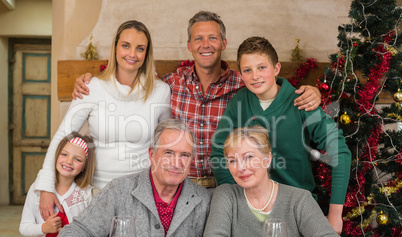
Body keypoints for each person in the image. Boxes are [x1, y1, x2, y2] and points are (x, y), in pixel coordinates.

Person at [72, 11, 322, 188]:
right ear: (189, 45)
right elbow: (132, 82)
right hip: (181, 185)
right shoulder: (170, 83)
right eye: (198, 39)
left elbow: (273, 87)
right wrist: (91, 82)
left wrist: (311, 91)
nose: (206, 44)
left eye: (213, 38)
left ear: (223, 43)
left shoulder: (243, 84)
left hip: (229, 184)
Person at [210, 36, 351, 234]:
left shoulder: (301, 102)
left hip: (297, 209)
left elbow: (340, 152)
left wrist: (335, 214)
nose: (255, 76)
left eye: (261, 68)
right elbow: (218, 153)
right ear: (241, 74)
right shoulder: (239, 102)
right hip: (252, 211)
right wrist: (238, 195)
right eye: (247, 70)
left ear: (276, 69)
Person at [35, 20, 171, 221]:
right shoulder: (92, 88)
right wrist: (46, 186)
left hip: (140, 192)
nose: (132, 54)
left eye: (140, 48)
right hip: (96, 191)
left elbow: (164, 144)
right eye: (125, 45)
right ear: (115, 48)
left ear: (147, 54)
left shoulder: (160, 91)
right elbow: (62, 135)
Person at [55, 119, 211, 237]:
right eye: (168, 153)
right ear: (151, 154)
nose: (177, 163)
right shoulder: (119, 190)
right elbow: (71, 233)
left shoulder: (203, 199)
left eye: (184, 155)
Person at [204, 126, 345, 237]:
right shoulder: (225, 195)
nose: (241, 168)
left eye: (249, 157)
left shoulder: (299, 199)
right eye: (232, 160)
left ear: (267, 160)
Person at [19, 132, 96, 237]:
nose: (68, 161)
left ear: (84, 166)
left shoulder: (85, 194)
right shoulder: (36, 190)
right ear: (54, 156)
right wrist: (44, 228)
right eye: (64, 154)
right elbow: (24, 227)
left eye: (77, 159)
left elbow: (92, 234)